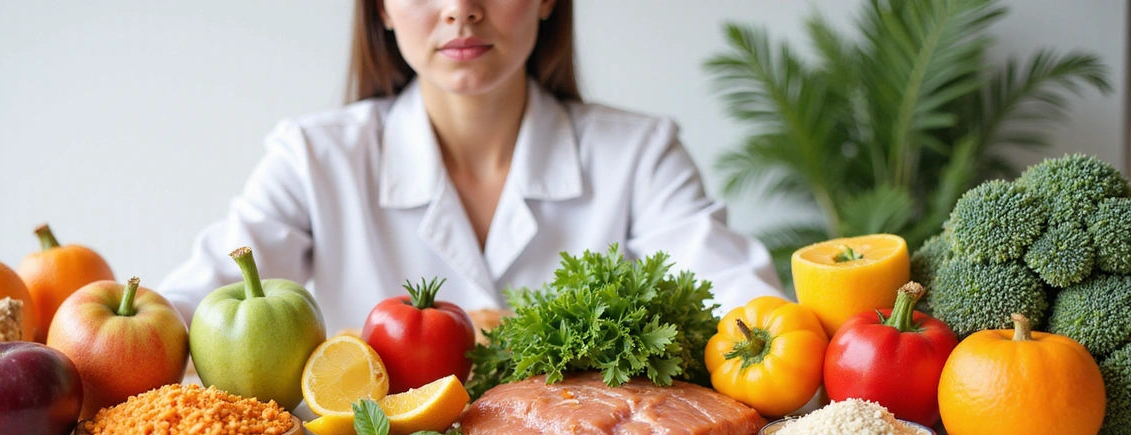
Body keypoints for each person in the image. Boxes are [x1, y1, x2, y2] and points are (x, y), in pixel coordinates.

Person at [159, 0, 783, 332]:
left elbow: (739, 299)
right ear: (381, 7)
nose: (459, 8)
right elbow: (199, 298)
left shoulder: (640, 153)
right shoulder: (313, 156)